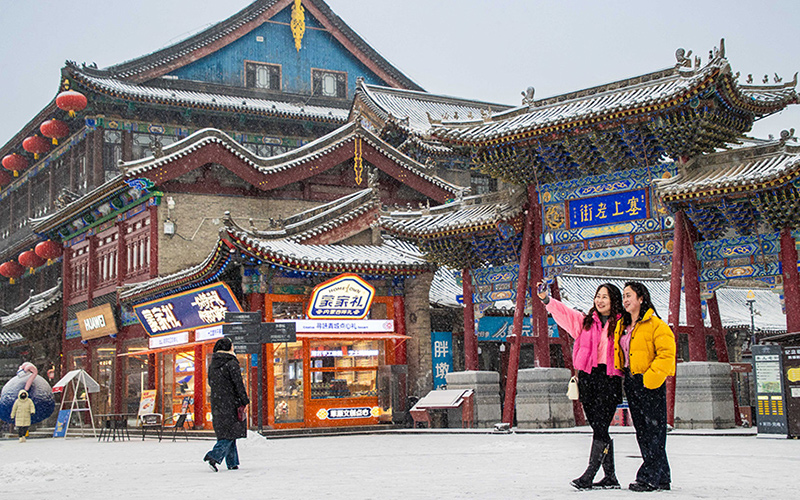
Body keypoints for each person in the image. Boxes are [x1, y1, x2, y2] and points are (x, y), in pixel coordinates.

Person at [538, 281, 625, 490]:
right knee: (598, 427)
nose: (600, 300)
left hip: (610, 377)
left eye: (605, 297)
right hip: (587, 377)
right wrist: (547, 300)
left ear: (614, 300)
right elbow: (565, 313)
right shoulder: (586, 322)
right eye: (598, 296)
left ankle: (590, 474)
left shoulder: (624, 323)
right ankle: (610, 477)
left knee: (601, 427)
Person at [614, 281, 676, 492]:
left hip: (649, 381)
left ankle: (648, 476)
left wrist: (651, 378)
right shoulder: (623, 326)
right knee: (643, 430)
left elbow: (667, 354)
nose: (625, 300)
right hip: (631, 381)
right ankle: (663, 477)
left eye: (629, 295)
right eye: (623, 296)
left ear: (641, 298)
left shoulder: (656, 325)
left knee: (654, 430)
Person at [204, 337, 250, 472]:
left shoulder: (213, 364)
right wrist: (244, 400)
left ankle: (232, 463)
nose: (233, 348)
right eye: (232, 346)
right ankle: (214, 456)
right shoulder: (231, 362)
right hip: (231, 402)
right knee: (230, 432)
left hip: (217, 402)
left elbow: (211, 383)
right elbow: (238, 384)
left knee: (228, 430)